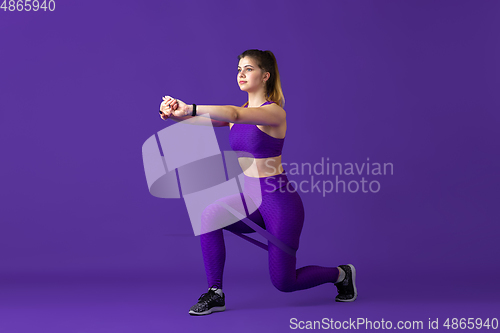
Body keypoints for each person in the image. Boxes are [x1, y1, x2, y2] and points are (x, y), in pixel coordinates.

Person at [159, 49, 357, 316]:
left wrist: (190, 107)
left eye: (248, 68)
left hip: (279, 201)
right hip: (250, 198)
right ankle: (215, 293)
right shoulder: (238, 112)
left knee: (284, 282)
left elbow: (234, 115)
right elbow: (204, 119)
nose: (241, 73)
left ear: (265, 76)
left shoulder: (274, 114)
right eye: (239, 68)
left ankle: (341, 275)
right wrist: (175, 112)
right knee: (209, 215)